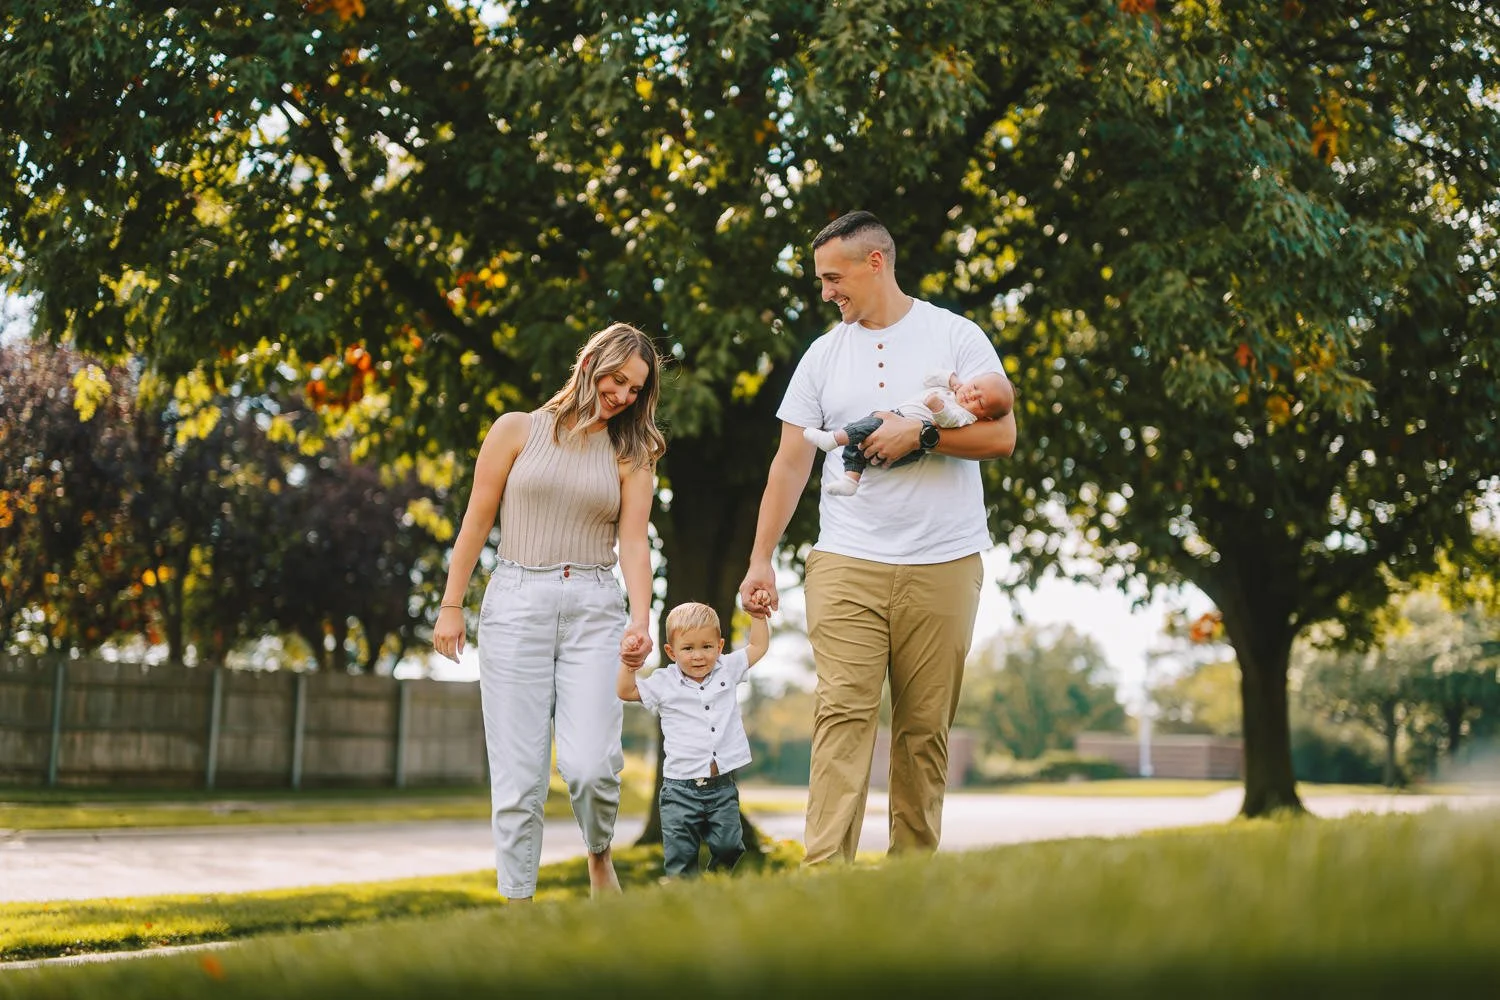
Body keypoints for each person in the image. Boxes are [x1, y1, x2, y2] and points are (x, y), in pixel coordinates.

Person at [738, 210, 1017, 865]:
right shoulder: (822, 356)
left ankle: (910, 880)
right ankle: (822, 876)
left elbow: (1001, 435)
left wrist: (920, 433)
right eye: (820, 280)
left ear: (875, 263)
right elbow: (790, 462)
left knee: (924, 730)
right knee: (842, 713)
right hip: (847, 560)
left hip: (944, 561)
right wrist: (760, 559)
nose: (826, 291)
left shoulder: (956, 335)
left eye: (834, 277)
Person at [432, 322, 665, 901]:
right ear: (589, 362)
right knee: (518, 780)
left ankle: (598, 851)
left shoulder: (631, 453)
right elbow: (476, 521)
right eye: (617, 380)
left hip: (594, 606)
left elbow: (635, 543)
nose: (624, 396)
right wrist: (450, 605)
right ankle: (517, 908)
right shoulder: (516, 430)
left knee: (590, 766)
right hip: (515, 602)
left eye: (635, 389)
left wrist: (642, 619)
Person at [617, 599, 770, 878]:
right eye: (688, 648)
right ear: (671, 651)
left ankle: (713, 881)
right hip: (679, 790)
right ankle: (683, 896)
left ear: (720, 647)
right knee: (680, 858)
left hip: (721, 787)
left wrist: (757, 616)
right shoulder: (664, 682)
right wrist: (630, 664)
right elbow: (625, 692)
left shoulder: (726, 669)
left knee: (730, 845)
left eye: (707, 647)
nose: (698, 656)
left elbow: (758, 647)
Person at [803, 368, 1013, 495]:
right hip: (896, 418)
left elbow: (948, 421)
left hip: (907, 435)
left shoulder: (964, 416)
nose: (972, 395)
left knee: (866, 427)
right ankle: (850, 480)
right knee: (858, 446)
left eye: (980, 401)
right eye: (975, 386)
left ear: (984, 417)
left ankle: (831, 439)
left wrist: (937, 407)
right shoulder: (955, 391)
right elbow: (932, 376)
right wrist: (954, 380)